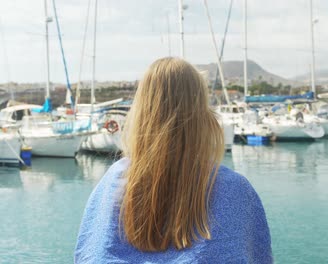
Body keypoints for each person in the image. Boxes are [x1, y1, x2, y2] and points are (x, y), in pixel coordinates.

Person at [74, 57, 272, 263]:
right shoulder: (235, 189)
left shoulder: (114, 180)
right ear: (202, 115)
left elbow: (90, 254)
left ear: (141, 113)